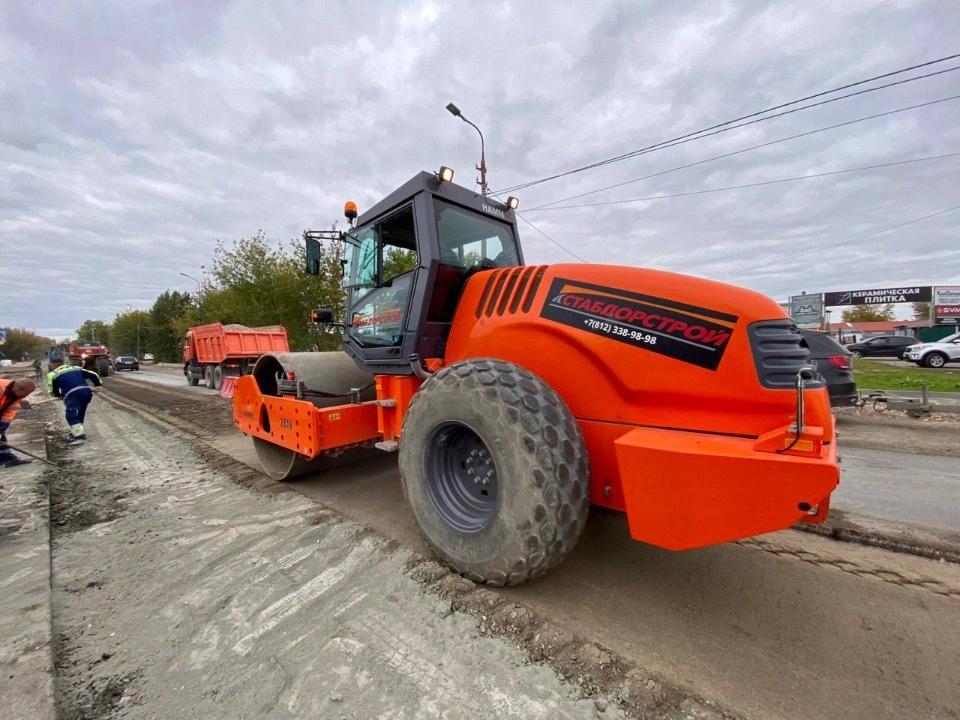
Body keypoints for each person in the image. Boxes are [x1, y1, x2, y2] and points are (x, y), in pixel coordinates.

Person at [47, 356, 102, 445]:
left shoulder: (52, 374)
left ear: (53, 365)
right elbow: (93, 374)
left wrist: (58, 395)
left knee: (71, 415)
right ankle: (76, 433)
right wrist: (97, 385)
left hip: (73, 394)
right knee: (80, 412)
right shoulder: (75, 368)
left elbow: (52, 391)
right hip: (86, 392)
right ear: (63, 362)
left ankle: (80, 437)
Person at [0, 377, 37, 468]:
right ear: (17, 389)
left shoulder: (15, 395)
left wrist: (1, 428)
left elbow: (8, 414)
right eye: (25, 394)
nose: (24, 397)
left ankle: (6, 458)